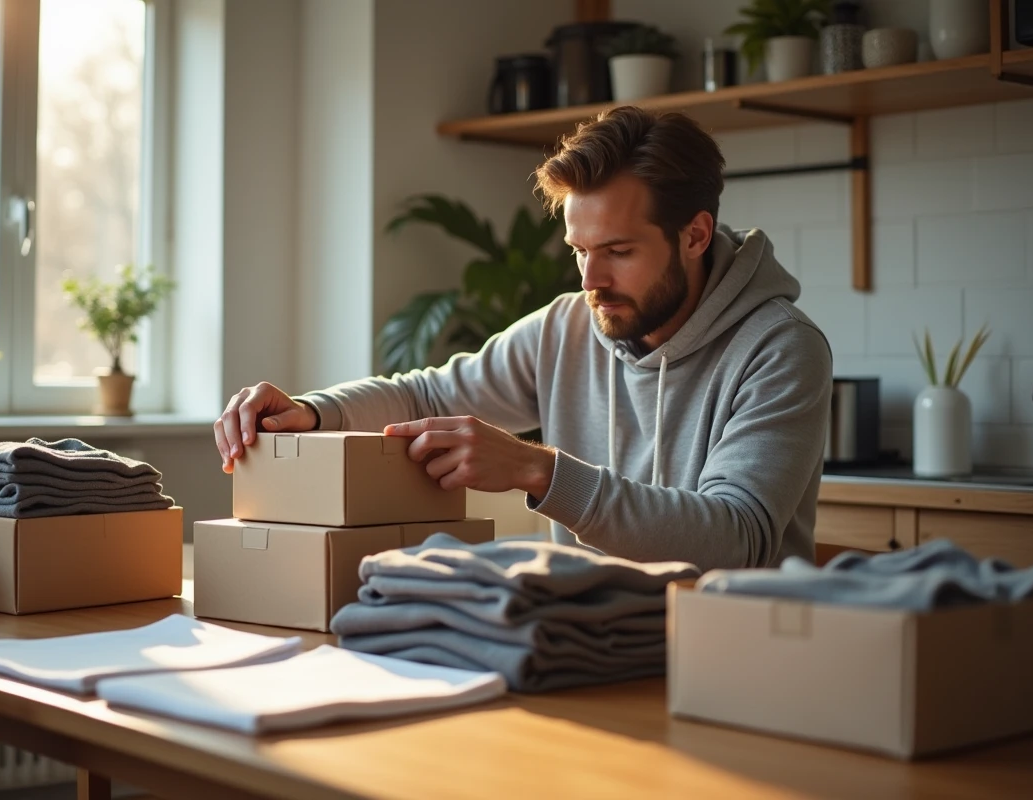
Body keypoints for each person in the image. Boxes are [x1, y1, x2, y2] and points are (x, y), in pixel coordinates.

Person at [214, 106, 832, 571]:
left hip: (732, 658)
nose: (591, 279)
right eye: (579, 251)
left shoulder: (779, 348)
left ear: (695, 235)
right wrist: (314, 412)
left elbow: (736, 539)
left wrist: (538, 470)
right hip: (588, 648)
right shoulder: (566, 328)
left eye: (618, 251)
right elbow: (427, 399)